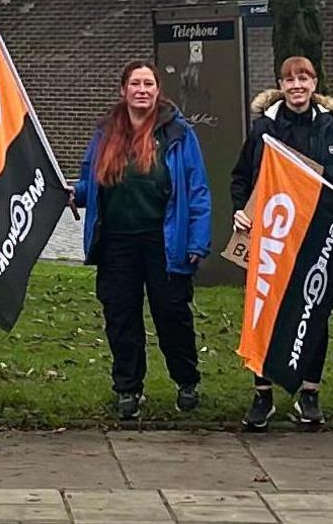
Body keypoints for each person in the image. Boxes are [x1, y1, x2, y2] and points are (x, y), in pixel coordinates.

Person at [74, 61, 212, 419]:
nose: (142, 90)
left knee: (172, 314)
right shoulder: (105, 133)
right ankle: (128, 388)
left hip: (164, 242)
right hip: (117, 243)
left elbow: (197, 190)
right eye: (135, 83)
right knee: (121, 318)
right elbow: (91, 183)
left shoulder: (178, 134)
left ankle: (186, 380)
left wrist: (198, 241)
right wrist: (75, 193)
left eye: (148, 84)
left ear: (157, 90)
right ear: (123, 91)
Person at [231, 56, 333, 430]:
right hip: (273, 235)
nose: (297, 86)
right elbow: (241, 178)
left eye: (304, 79)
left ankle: (309, 394)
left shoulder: (329, 129)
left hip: (317, 234)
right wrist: (240, 210)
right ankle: (263, 396)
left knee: (313, 311)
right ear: (281, 85)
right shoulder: (263, 129)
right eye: (290, 80)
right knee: (264, 312)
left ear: (314, 83)